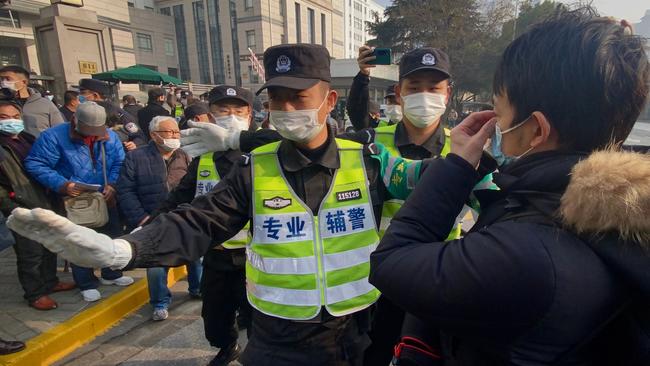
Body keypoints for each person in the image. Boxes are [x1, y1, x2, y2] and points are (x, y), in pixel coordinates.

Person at [6, 44, 435, 366]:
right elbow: (198, 220)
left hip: (358, 330)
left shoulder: (369, 160)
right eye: (276, 98)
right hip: (277, 339)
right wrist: (125, 250)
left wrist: (481, 167)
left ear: (329, 100)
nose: (285, 109)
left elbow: (426, 180)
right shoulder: (253, 169)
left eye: (298, 98)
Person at [369, 9, 650, 365]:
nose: (494, 126)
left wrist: (456, 167)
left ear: (535, 130)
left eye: (498, 114)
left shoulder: (526, 255)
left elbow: (391, 262)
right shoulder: (605, 212)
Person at [155, 85, 255, 365]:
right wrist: (153, 223)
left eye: (238, 110)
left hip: (253, 257)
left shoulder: (260, 155)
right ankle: (227, 345)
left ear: (250, 115)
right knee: (214, 317)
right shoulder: (204, 157)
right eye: (223, 110)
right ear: (211, 116)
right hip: (216, 255)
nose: (231, 116)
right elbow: (180, 196)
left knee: (257, 317)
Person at [23, 101, 133, 302]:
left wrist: (113, 185)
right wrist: (63, 185)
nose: (91, 135)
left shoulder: (110, 137)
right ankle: (86, 282)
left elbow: (120, 162)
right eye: (87, 131)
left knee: (111, 236)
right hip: (75, 200)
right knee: (79, 240)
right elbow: (35, 163)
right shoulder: (53, 137)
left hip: (105, 197)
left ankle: (112, 274)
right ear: (75, 121)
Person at [116, 115, 199, 321]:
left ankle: (197, 289)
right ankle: (160, 302)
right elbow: (125, 190)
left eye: (176, 132)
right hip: (152, 219)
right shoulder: (136, 157)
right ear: (154, 135)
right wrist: (141, 217)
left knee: (196, 256)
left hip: (183, 216)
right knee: (156, 265)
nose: (174, 136)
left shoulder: (185, 155)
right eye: (169, 132)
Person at [0, 101, 75, 310]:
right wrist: (9, 205)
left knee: (49, 245)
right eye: (4, 117)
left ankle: (50, 282)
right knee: (29, 252)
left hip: (46, 199)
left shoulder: (28, 139)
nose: (11, 121)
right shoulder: (3, 146)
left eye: (15, 116)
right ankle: (34, 293)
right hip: (21, 205)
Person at [78, 79, 143, 152]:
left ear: (95, 95)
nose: (79, 96)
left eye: (83, 93)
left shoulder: (116, 112)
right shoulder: (80, 112)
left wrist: (134, 143)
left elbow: (139, 136)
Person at [0, 65, 64, 137]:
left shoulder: (45, 104)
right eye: (2, 79)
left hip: (40, 146)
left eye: (8, 79)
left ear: (23, 82)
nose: (3, 82)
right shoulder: (2, 104)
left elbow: (60, 130)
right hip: (8, 147)